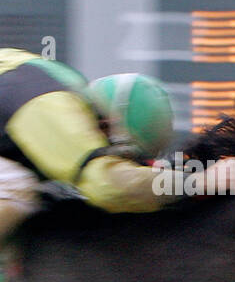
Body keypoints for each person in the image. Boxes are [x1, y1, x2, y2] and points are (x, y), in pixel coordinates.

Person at [0, 48, 195, 251]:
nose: (122, 161)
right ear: (107, 123)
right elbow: (109, 186)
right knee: (16, 186)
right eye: (124, 155)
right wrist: (197, 182)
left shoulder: (61, 88)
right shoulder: (50, 105)